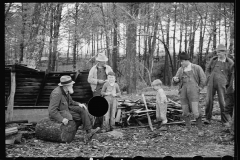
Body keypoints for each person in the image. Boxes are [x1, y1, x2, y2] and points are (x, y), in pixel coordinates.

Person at [48, 75, 100, 142]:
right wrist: (62, 119)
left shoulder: (66, 91)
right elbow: (52, 110)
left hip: (67, 109)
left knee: (82, 109)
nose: (72, 86)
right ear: (66, 85)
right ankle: (86, 132)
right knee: (81, 117)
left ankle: (89, 131)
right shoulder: (57, 93)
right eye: (71, 84)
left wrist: (79, 104)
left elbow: (71, 102)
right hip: (61, 112)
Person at [172, 52, 206, 136]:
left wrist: (200, 88)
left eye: (182, 61)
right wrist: (175, 80)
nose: (181, 63)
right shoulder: (180, 69)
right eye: (181, 61)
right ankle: (188, 127)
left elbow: (203, 79)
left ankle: (200, 129)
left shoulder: (196, 68)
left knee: (196, 111)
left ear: (187, 60)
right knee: (185, 111)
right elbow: (175, 81)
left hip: (194, 92)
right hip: (183, 92)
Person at [204, 44, 234, 127]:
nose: (218, 54)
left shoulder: (230, 62)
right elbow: (207, 69)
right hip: (211, 83)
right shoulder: (213, 60)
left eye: (220, 52)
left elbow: (232, 75)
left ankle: (224, 121)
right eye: (217, 52)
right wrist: (208, 77)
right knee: (208, 101)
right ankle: (207, 118)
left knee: (223, 102)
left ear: (225, 52)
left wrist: (229, 85)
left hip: (223, 84)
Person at [87, 52, 113, 131]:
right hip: (97, 90)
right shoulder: (93, 69)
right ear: (99, 61)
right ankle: (97, 124)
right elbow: (89, 79)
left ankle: (107, 125)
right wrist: (98, 81)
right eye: (103, 61)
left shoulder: (108, 68)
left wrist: (108, 80)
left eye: (105, 61)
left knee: (106, 106)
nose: (104, 62)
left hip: (106, 90)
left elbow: (112, 77)